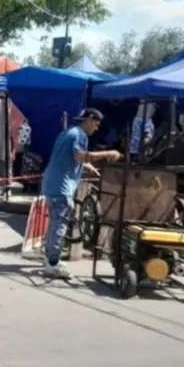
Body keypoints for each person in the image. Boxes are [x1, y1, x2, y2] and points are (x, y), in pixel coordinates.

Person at [40, 109, 121, 279]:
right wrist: (108, 153)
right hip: (61, 187)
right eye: (96, 125)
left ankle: (50, 258)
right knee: (60, 225)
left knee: (54, 223)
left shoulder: (67, 133)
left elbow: (68, 157)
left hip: (52, 184)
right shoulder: (80, 135)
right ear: (88, 120)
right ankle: (52, 264)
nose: (96, 129)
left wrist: (87, 166)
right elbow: (80, 156)